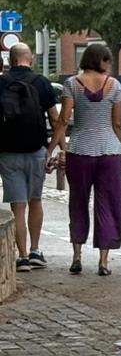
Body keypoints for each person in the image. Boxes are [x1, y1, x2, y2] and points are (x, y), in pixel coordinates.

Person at [52, 43, 121, 276]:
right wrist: (120, 146)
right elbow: (117, 123)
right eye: (107, 61)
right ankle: (103, 262)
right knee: (108, 204)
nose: (109, 65)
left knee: (78, 202)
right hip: (109, 153)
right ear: (100, 60)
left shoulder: (72, 84)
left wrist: (51, 148)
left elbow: (64, 120)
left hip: (79, 150)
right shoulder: (115, 85)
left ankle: (77, 256)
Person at [0, 43, 61, 274]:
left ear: (11, 60)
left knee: (18, 206)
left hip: (8, 153)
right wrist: (52, 149)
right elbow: (56, 120)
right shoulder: (42, 83)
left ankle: (22, 257)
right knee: (35, 201)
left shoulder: (2, 83)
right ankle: (35, 251)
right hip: (36, 151)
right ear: (31, 59)